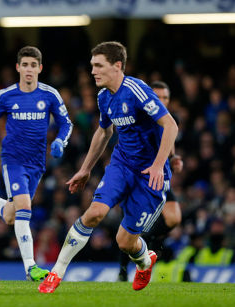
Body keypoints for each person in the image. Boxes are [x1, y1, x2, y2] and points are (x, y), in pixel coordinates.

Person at [38, 41, 178, 293]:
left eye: (98, 65)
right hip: (122, 164)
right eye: (92, 65)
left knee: (125, 241)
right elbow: (104, 131)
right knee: (94, 213)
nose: (93, 71)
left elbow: (171, 125)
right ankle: (55, 273)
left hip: (150, 174)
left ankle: (145, 262)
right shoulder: (104, 97)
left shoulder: (137, 90)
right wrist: (85, 168)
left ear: (117, 66)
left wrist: (158, 165)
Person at [0, 46, 73, 281]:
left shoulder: (50, 95)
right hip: (13, 160)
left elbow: (66, 124)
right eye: (25, 65)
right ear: (18, 68)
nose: (29, 69)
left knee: (12, 216)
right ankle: (30, 267)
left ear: (40, 68)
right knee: (24, 209)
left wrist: (60, 142)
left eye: (33, 65)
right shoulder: (6, 95)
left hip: (37, 164)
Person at [118, 81, 184, 281]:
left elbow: (168, 145)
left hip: (160, 174)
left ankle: (143, 240)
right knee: (133, 225)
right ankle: (123, 269)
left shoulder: (169, 120)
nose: (162, 101)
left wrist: (173, 159)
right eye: (159, 97)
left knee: (173, 218)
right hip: (140, 174)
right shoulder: (140, 118)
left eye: (166, 98)